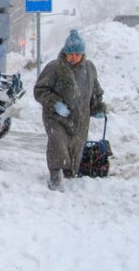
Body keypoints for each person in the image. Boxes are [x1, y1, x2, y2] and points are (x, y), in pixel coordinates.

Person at [34, 29, 106, 191]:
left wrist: (97, 107)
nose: (73, 57)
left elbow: (95, 91)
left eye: (77, 54)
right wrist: (55, 104)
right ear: (65, 52)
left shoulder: (89, 69)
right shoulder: (54, 67)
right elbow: (40, 90)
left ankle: (69, 174)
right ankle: (55, 176)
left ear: (82, 54)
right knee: (58, 142)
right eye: (70, 54)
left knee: (75, 147)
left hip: (80, 117)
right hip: (56, 117)